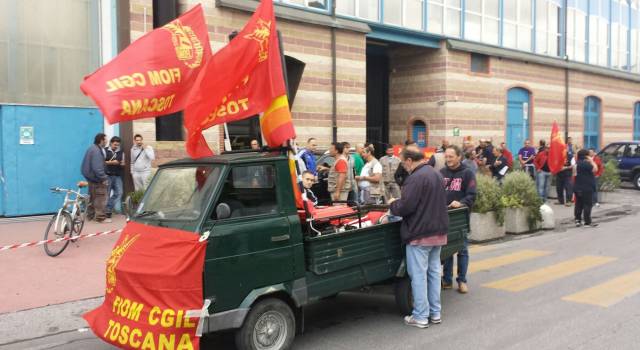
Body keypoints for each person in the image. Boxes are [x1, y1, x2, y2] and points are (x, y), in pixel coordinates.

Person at [389, 146, 448, 328]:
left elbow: (406, 207)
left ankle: (421, 316)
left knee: (419, 276)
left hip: (420, 233)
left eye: (402, 162)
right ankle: (435, 313)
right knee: (433, 274)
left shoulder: (415, 178)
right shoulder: (436, 174)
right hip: (438, 231)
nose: (403, 166)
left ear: (408, 160)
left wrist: (393, 204)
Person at [441, 145, 476, 294]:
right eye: (446, 156)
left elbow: (472, 195)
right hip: (444, 217)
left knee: (462, 250)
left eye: (451, 156)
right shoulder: (441, 173)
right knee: (447, 250)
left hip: (460, 218)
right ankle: (447, 280)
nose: (448, 159)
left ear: (459, 157)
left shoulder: (468, 173)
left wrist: (460, 203)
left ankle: (462, 280)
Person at [81, 133, 110, 223]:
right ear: (101, 140)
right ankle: (100, 218)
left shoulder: (92, 148)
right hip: (97, 179)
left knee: (92, 197)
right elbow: (97, 168)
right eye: (106, 139)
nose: (107, 141)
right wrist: (104, 178)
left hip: (91, 178)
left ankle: (91, 216)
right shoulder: (96, 151)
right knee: (101, 197)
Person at [574, 149, 598, 227]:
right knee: (587, 204)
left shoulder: (576, 164)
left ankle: (578, 220)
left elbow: (574, 174)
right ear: (586, 156)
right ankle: (587, 222)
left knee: (578, 204)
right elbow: (595, 169)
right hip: (587, 187)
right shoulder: (587, 164)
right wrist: (591, 161)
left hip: (577, 186)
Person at [104, 136, 125, 219]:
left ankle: (108, 208)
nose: (116, 146)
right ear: (111, 143)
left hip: (117, 175)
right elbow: (101, 161)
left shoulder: (120, 152)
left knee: (119, 193)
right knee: (107, 194)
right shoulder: (105, 150)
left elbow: (122, 163)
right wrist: (112, 162)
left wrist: (122, 164)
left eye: (117, 145)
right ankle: (106, 212)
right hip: (107, 175)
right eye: (115, 144)